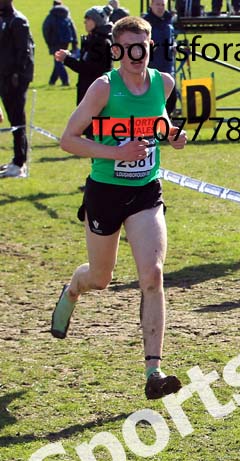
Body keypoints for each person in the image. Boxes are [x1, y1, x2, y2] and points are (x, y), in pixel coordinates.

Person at [51, 16, 188, 400]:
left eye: (142, 46)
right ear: (116, 51)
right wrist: (116, 152)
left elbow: (157, 122)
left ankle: (154, 372)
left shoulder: (164, 83)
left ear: (150, 46)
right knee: (100, 277)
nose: (136, 55)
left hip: (146, 191)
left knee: (153, 275)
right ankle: (73, 288)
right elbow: (68, 139)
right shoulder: (102, 88)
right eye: (128, 48)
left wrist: (172, 136)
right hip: (106, 192)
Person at [56, 5, 113, 138]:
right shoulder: (92, 39)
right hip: (89, 89)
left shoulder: (101, 42)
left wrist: (67, 59)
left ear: (96, 21)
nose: (85, 22)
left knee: (94, 131)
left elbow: (89, 69)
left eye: (88, 19)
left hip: (95, 92)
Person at [0, 0, 34, 179]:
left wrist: (17, 75)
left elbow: (25, 52)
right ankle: (16, 159)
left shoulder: (18, 21)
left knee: (17, 121)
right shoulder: (4, 19)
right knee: (12, 121)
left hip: (14, 81)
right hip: (3, 78)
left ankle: (20, 162)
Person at [143, 0, 177, 115]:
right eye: (157, 4)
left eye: (163, 5)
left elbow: (172, 38)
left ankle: (165, 128)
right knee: (152, 102)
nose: (160, 7)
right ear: (151, 5)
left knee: (171, 101)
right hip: (151, 69)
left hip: (168, 68)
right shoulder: (144, 23)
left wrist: (175, 46)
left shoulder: (169, 20)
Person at [42, 1, 78, 86]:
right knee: (59, 60)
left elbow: (45, 29)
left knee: (58, 61)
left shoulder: (51, 16)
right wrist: (74, 43)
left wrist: (48, 41)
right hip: (66, 41)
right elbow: (73, 29)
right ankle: (52, 81)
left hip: (55, 42)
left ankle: (65, 81)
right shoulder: (66, 15)